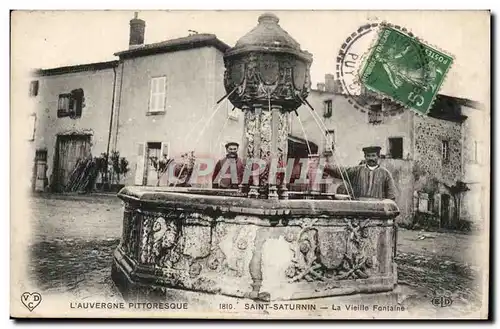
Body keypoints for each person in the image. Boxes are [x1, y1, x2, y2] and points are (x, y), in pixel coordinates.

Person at [323, 146, 398, 200]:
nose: (371, 158)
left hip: (378, 211)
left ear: (378, 157)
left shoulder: (385, 174)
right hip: (360, 209)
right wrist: (324, 166)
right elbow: (340, 171)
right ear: (365, 157)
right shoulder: (356, 170)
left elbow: (391, 196)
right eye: (368, 156)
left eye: (373, 156)